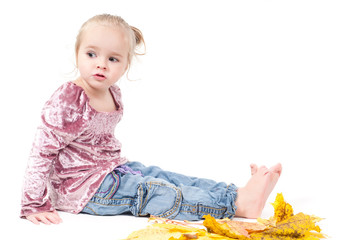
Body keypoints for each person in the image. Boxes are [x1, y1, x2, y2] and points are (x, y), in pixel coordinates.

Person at [21, 14, 282, 225]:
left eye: (112, 58)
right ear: (77, 53)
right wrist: (33, 203)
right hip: (81, 189)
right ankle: (236, 205)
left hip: (110, 169)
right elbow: (41, 152)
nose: (101, 64)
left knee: (162, 175)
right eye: (91, 54)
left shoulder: (112, 91)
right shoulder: (70, 98)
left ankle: (237, 194)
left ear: (125, 65)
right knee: (152, 191)